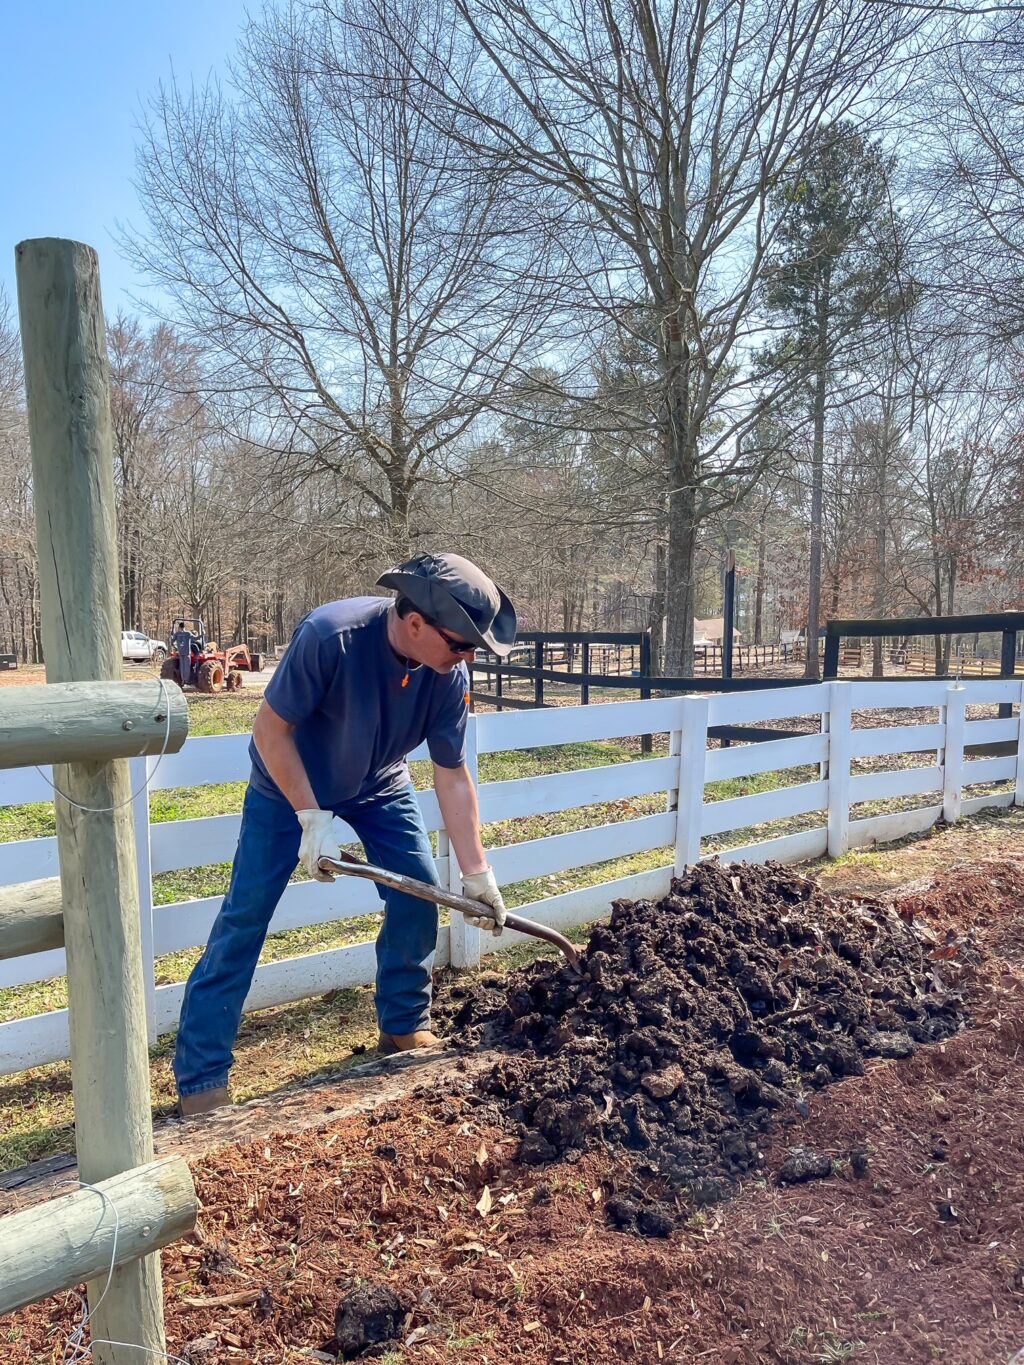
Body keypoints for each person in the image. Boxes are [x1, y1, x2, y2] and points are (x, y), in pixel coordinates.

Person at [173, 551, 517, 1116]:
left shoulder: (447, 674)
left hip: (379, 782)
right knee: (245, 917)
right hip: (289, 787)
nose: (468, 656)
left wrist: (478, 873)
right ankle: (202, 1075)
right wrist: (311, 817)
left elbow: (452, 776)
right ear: (415, 624)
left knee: (417, 895)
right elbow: (269, 731)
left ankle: (403, 1025)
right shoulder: (329, 636)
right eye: (460, 643)